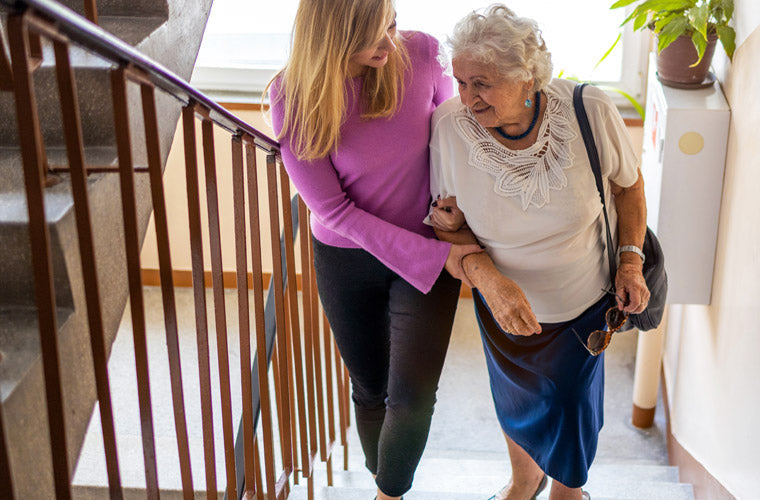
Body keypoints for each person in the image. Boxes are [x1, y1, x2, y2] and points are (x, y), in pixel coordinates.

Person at [426, 5, 650, 500]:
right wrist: (488, 281)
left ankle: (569, 493)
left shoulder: (590, 110)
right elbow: (450, 225)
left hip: (584, 301)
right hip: (502, 304)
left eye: (481, 83)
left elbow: (629, 189)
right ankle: (524, 482)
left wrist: (631, 260)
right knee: (515, 398)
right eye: (460, 82)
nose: (467, 98)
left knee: (569, 405)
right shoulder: (448, 127)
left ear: (526, 76)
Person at [265, 1, 482, 499]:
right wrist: (439, 257)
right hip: (347, 257)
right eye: (372, 35)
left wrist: (456, 220)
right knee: (370, 392)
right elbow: (334, 211)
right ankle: (386, 476)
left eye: (391, 24)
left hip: (429, 251)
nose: (389, 43)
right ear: (333, 35)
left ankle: (388, 492)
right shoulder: (291, 96)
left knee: (412, 398)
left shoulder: (422, 52)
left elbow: (453, 139)